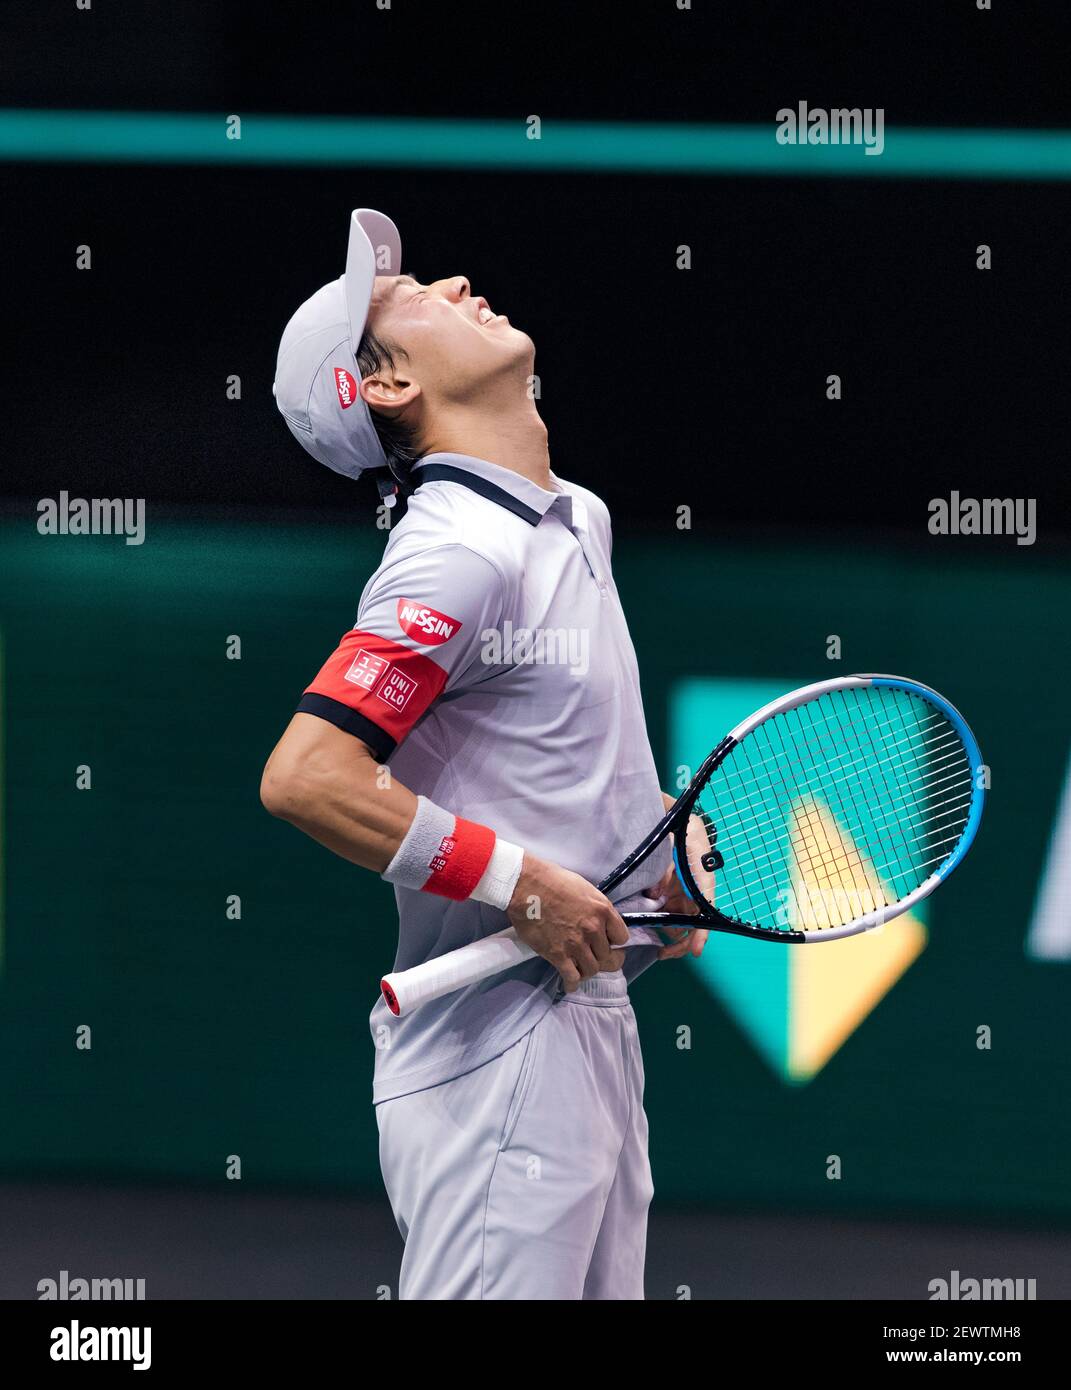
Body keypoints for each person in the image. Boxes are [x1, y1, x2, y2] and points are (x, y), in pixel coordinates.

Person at [262, 208, 707, 1300]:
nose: (453, 280)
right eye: (407, 300)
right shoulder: (455, 551)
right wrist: (522, 885)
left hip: (589, 1021)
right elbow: (308, 776)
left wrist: (656, 836)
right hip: (492, 1045)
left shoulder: (576, 519)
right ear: (388, 386)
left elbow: (538, 749)